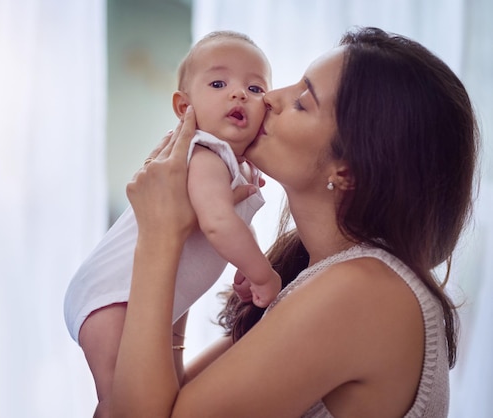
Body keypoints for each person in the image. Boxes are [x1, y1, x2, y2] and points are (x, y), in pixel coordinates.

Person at [111, 26, 479, 417]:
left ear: (348, 170)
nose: (268, 98)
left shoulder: (365, 291)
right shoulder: (310, 279)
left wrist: (158, 237)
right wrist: (183, 243)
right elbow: (161, 400)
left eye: (302, 102)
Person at [64, 31, 280, 417]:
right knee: (118, 400)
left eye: (254, 86)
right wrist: (261, 273)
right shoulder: (205, 153)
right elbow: (216, 222)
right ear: (184, 108)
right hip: (112, 298)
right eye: (218, 83)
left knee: (129, 395)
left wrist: (245, 262)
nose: (238, 94)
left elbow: (226, 225)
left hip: (134, 298)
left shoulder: (236, 168)